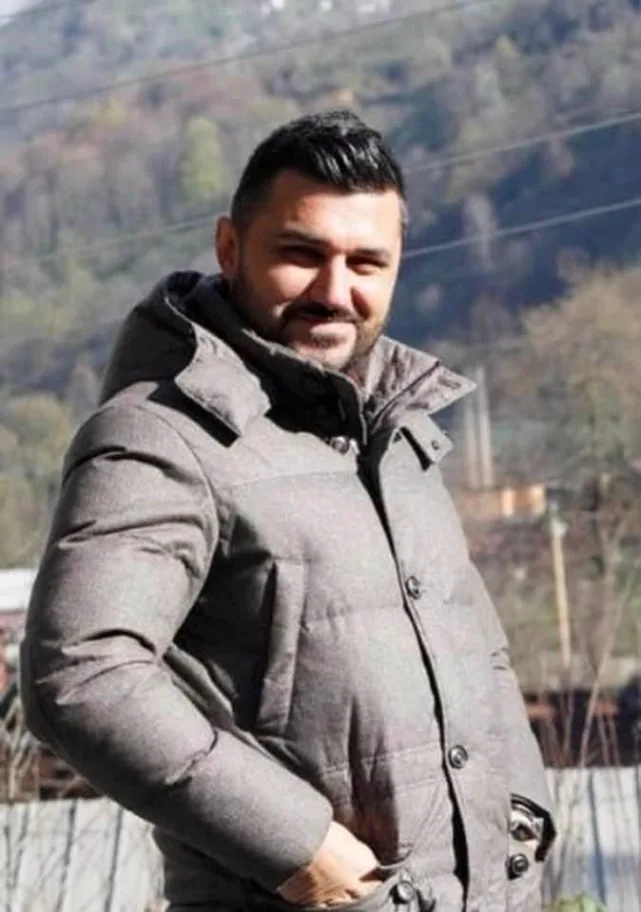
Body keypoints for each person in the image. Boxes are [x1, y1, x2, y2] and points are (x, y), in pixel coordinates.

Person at [20, 110, 555, 912]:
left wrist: (523, 814)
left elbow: (479, 648)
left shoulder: (395, 432)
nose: (334, 292)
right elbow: (80, 674)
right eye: (301, 254)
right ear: (229, 248)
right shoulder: (161, 436)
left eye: (366, 262)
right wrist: (304, 850)